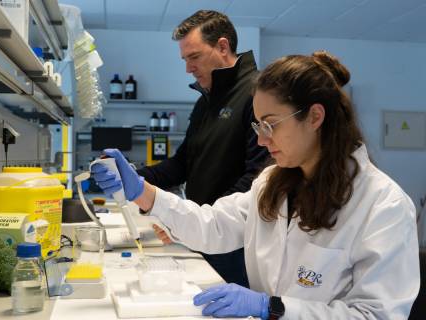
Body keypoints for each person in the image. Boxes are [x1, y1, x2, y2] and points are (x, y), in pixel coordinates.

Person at [91, 50, 420, 319]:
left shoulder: (382, 205)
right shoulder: (271, 183)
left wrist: (272, 307)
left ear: (315, 117)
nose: (262, 139)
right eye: (258, 125)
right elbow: (214, 225)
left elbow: (376, 315)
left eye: (271, 125)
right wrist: (141, 192)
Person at [136, 10, 269, 287]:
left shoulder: (258, 94)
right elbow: (182, 164)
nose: (188, 68)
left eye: (194, 57)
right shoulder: (205, 102)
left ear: (222, 46)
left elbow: (258, 177)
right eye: (185, 60)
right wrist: (133, 177)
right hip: (204, 235)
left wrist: (200, 222)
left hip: (236, 242)